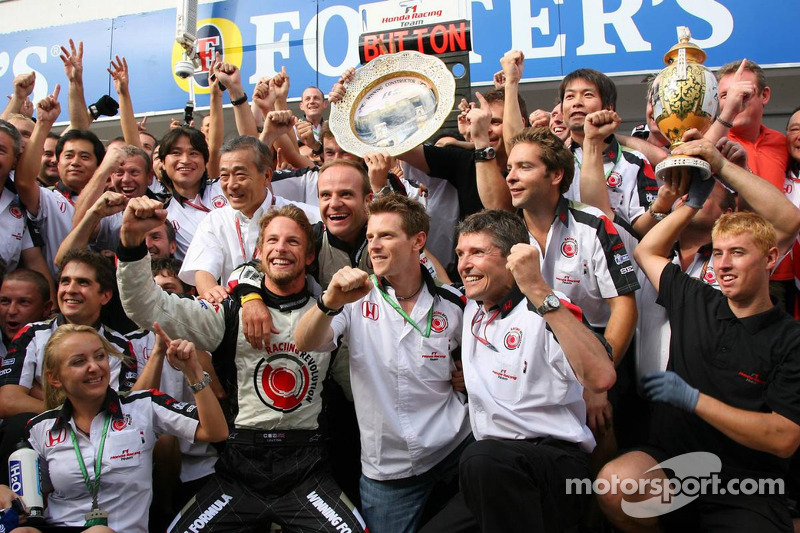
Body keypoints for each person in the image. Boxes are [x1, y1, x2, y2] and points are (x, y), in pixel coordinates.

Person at [116, 198, 367, 532]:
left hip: (307, 469)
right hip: (240, 468)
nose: (281, 249)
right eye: (273, 241)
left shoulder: (332, 316)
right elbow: (147, 308)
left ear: (309, 256)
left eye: (293, 241)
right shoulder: (227, 312)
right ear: (259, 254)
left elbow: (362, 388)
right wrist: (132, 245)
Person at [598, 154, 800, 530]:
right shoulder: (697, 298)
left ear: (771, 258)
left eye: (737, 253)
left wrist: (695, 400)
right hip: (674, 461)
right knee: (613, 486)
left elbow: (784, 438)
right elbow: (646, 252)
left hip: (747, 483)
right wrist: (690, 204)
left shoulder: (791, 338)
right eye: (719, 253)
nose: (723, 264)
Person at [421, 209, 615, 533]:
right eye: (460, 254)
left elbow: (601, 377)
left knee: (481, 458)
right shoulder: (470, 308)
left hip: (554, 466)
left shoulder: (547, 308)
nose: (464, 264)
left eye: (478, 253)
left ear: (513, 259)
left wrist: (537, 288)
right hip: (492, 471)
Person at [295, 194, 471, 533]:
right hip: (388, 470)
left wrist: (472, 377)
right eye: (371, 236)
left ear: (418, 241)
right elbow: (306, 341)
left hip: (455, 448)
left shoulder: (454, 302)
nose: (374, 245)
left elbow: (486, 355)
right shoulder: (354, 297)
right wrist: (329, 302)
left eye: (386, 236)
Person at [10, 323, 227, 533]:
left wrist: (193, 372)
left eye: (99, 356)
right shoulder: (41, 427)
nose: (94, 367)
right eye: (79, 361)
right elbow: (28, 501)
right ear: (54, 378)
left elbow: (215, 431)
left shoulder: (143, 405)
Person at [179, 134, 320, 301]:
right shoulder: (215, 221)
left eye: (240, 175)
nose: (231, 184)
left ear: (267, 176)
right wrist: (213, 294)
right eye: (224, 176)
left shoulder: (308, 217)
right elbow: (202, 271)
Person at [558, 68, 660, 236]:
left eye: (587, 95)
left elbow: (643, 230)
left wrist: (662, 204)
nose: (577, 102)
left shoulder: (635, 162)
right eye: (570, 96)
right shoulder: (556, 161)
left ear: (608, 107)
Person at [0, 269, 52, 358]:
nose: (12, 311)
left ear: (46, 308)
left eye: (23, 302)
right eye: (5, 301)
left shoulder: (57, 347)